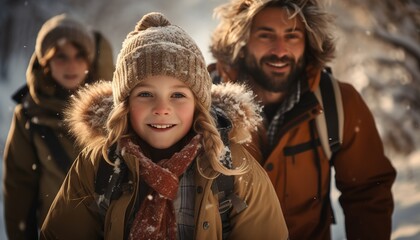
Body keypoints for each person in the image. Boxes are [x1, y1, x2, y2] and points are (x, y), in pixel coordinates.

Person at [39, 12, 289, 240]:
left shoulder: (234, 170)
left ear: (198, 105)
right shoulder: (99, 165)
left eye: (178, 95)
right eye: (145, 94)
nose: (161, 108)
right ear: (124, 104)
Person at [209, 0, 397, 239]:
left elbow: (368, 191)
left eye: (292, 36)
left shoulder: (338, 102)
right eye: (266, 36)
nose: (280, 50)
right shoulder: (200, 101)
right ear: (241, 42)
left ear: (309, 43)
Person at [2, 13, 114, 240]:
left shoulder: (116, 107)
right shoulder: (28, 114)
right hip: (57, 231)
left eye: (79, 56)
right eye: (61, 57)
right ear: (46, 62)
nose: (71, 65)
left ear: (90, 60)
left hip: (111, 228)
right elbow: (19, 185)